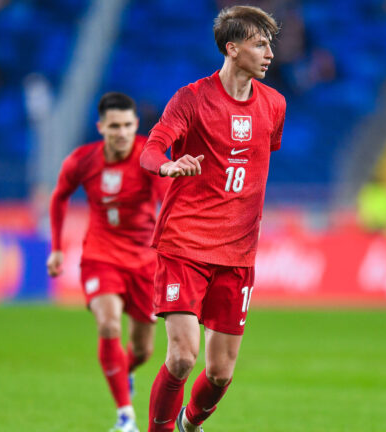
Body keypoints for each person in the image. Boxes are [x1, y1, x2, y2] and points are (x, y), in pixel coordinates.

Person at [139, 6, 285, 432]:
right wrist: (166, 166)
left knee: (220, 372)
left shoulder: (274, 105)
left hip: (238, 253)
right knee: (182, 356)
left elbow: (256, 161)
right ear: (232, 48)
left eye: (270, 44)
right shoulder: (191, 99)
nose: (269, 53)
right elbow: (153, 147)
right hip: (184, 244)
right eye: (260, 44)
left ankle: (189, 422)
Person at [47, 92, 170, 432]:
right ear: (101, 127)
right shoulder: (82, 160)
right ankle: (125, 416)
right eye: (114, 126)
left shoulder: (150, 157)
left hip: (146, 261)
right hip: (101, 256)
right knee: (108, 325)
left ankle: (123, 371)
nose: (122, 132)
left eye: (128, 125)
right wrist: (57, 248)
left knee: (144, 350)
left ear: (136, 126)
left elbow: (166, 199)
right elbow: (59, 197)